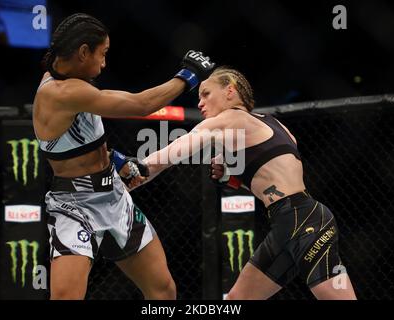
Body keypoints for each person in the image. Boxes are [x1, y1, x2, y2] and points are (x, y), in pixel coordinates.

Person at [32, 13, 215, 300]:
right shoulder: (60, 92)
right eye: (102, 54)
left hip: (114, 197)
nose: (104, 63)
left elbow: (81, 142)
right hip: (75, 207)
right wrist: (188, 76)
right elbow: (141, 105)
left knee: (163, 291)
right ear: (83, 52)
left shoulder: (71, 82)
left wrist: (116, 160)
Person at [137, 66, 357, 300]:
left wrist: (131, 172)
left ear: (229, 91)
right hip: (290, 221)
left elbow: (167, 156)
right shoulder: (273, 123)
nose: (200, 103)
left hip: (302, 220)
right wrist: (233, 176)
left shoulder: (227, 120)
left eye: (206, 94)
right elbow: (271, 178)